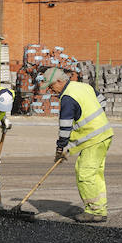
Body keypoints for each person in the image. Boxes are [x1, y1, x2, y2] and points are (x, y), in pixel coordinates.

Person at [40, 67, 112, 223]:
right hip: (104, 134)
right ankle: (100, 208)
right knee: (95, 174)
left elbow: (65, 127)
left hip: (94, 138)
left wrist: (60, 148)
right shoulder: (83, 86)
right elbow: (103, 102)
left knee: (85, 174)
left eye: (52, 86)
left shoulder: (67, 98)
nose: (52, 91)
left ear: (60, 81)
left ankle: (94, 211)